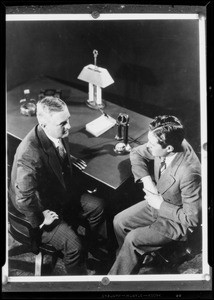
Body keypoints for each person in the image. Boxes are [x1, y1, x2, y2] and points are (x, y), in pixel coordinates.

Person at [9, 96, 108, 275]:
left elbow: (52, 150)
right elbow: (23, 199)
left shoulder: (56, 132)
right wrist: (40, 218)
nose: (69, 126)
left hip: (55, 195)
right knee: (74, 246)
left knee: (98, 206)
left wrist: (66, 158)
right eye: (63, 123)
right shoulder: (29, 155)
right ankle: (79, 286)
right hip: (34, 210)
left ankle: (95, 250)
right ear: (43, 123)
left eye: (68, 119)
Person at [108, 115, 201, 275]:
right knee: (119, 222)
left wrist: (160, 205)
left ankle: (116, 281)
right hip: (158, 200)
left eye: (151, 144)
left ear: (169, 149)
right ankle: (129, 261)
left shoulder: (189, 173)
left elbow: (191, 219)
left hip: (175, 220)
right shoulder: (165, 143)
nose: (148, 146)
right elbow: (136, 153)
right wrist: (147, 182)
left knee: (133, 239)